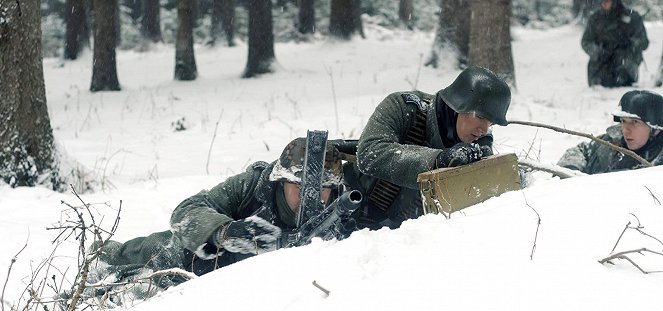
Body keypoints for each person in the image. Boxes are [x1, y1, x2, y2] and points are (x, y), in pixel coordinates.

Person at [90, 137, 346, 289]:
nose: (310, 195)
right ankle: (103, 255)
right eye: (298, 186)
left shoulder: (343, 207)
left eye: (323, 189)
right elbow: (186, 212)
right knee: (155, 253)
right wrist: (227, 232)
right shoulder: (254, 184)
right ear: (280, 181)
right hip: (208, 260)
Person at [342, 65, 511, 230]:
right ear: (457, 104)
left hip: (403, 237)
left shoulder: (476, 140)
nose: (484, 129)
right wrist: (438, 160)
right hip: (349, 208)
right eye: (480, 116)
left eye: (491, 122)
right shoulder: (403, 107)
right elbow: (370, 154)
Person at [557, 90, 663, 174]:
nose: (625, 130)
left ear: (656, 128)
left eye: (635, 122)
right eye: (623, 121)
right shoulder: (610, 142)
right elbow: (581, 151)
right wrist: (570, 172)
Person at [581, 0, 648, 87]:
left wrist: (630, 44)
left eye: (607, 1)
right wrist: (599, 52)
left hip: (626, 65)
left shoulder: (632, 17)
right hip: (602, 64)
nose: (604, 4)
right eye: (602, 1)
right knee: (598, 84)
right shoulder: (595, 18)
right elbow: (586, 41)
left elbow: (643, 41)